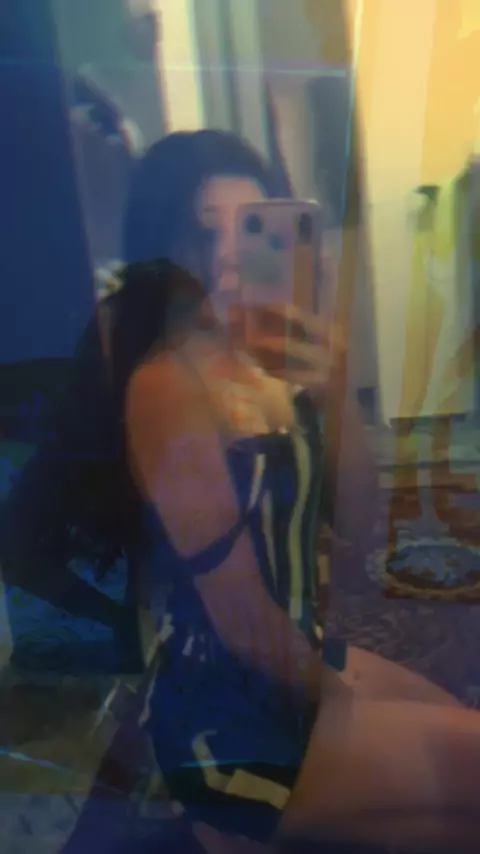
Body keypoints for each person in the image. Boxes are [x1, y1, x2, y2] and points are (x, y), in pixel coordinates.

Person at [2, 130, 480, 854]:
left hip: (294, 657)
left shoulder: (272, 355)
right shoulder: (167, 384)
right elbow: (245, 623)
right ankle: (226, 820)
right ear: (163, 251)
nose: (229, 255)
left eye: (250, 228)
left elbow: (358, 527)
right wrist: (338, 708)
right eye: (205, 233)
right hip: (225, 722)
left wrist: (335, 387)